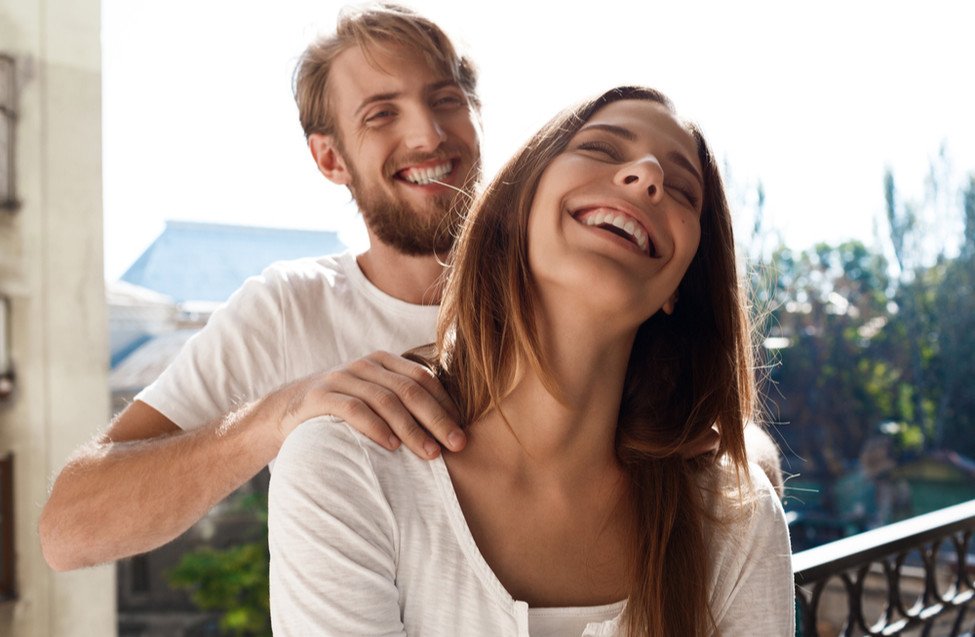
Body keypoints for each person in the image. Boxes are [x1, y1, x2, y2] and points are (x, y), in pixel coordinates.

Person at [40, 3, 780, 572]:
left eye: (446, 99)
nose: (428, 135)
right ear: (330, 158)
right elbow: (69, 527)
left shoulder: (583, 272)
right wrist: (284, 414)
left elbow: (712, 426)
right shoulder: (288, 309)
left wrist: (742, 468)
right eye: (381, 114)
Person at [268, 87, 795, 636]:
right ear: (516, 209)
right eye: (601, 149)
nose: (646, 175)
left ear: (679, 286)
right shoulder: (346, 469)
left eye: (683, 189)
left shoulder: (736, 518)